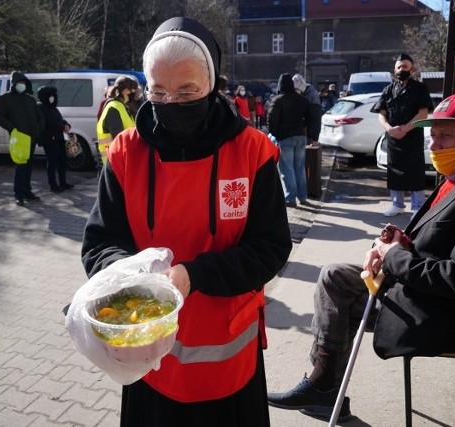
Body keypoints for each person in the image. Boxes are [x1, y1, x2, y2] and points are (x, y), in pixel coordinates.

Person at [267, 93, 455, 421]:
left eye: (445, 136)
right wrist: (402, 242)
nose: (434, 146)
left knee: (340, 294)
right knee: (336, 277)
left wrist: (394, 257)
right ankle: (323, 384)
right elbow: (443, 237)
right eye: (432, 136)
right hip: (431, 296)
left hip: (450, 317)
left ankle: (323, 385)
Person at [81, 16, 292, 427]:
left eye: (187, 91)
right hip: (150, 355)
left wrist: (194, 275)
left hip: (228, 353)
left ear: (211, 86)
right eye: (158, 91)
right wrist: (131, 277)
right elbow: (100, 241)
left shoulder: (251, 152)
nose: (172, 103)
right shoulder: (127, 152)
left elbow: (270, 248)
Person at [373, 53, 434, 217]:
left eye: (405, 67)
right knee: (394, 171)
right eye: (399, 67)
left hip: (412, 137)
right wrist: (389, 129)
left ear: (412, 69)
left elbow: (423, 113)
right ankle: (397, 204)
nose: (402, 70)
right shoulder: (388, 89)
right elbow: (381, 113)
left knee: (415, 172)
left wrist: (405, 129)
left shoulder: (420, 88)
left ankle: (417, 206)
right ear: (394, 70)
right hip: (393, 138)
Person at [0, 71, 44, 206]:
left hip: (31, 138)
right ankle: (18, 194)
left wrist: (38, 129)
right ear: (14, 84)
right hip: (19, 138)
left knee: (28, 166)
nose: (21, 85)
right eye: (19, 83)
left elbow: (39, 116)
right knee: (21, 166)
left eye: (23, 83)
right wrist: (12, 129)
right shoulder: (6, 99)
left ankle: (27, 191)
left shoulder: (30, 99)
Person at [267, 73, 311, 208]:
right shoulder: (303, 99)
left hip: (284, 137)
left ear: (280, 85)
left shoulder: (277, 100)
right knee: (299, 168)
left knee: (287, 170)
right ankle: (303, 196)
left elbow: (271, 121)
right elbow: (309, 118)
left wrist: (276, 134)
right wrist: (302, 129)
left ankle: (290, 198)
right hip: (300, 137)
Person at [36, 86, 73, 192]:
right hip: (49, 139)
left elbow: (60, 119)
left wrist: (66, 124)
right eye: (51, 95)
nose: (53, 97)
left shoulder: (52, 107)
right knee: (52, 162)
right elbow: (49, 122)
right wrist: (62, 126)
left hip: (59, 138)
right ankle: (53, 185)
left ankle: (63, 182)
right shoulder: (40, 107)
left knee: (62, 161)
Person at [96, 75, 138, 164]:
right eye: (133, 91)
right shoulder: (114, 108)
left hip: (120, 160)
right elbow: (119, 139)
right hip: (114, 162)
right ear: (126, 91)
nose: (135, 95)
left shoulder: (122, 107)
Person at [293, 73, 322, 146]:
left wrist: (315, 138)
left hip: (309, 134)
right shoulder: (302, 94)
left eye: (296, 89)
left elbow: (316, 118)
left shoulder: (312, 95)